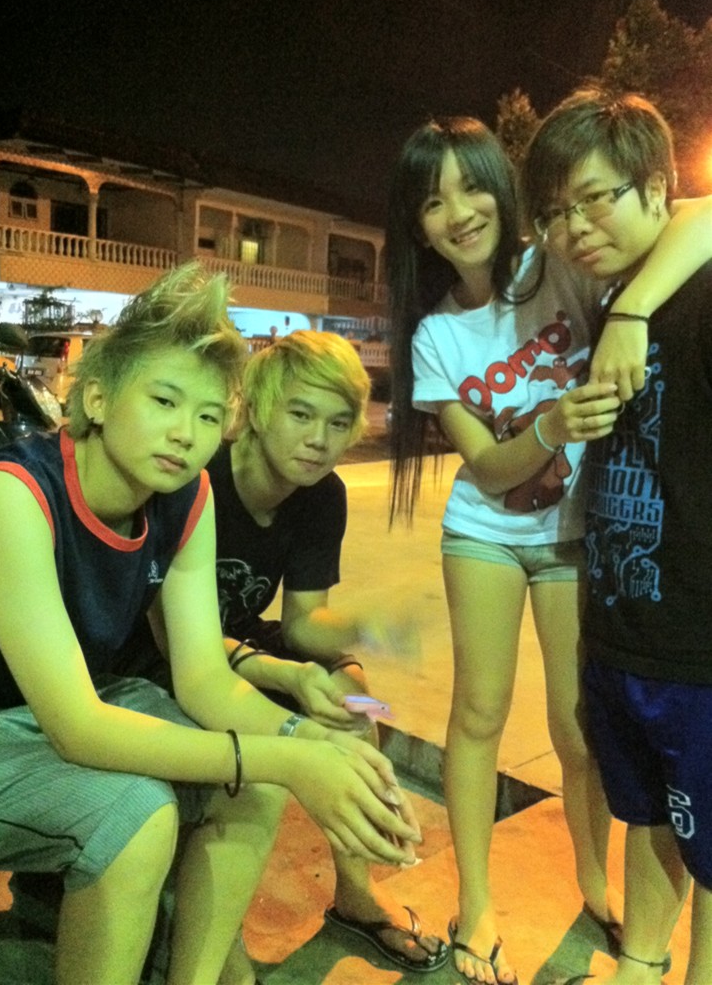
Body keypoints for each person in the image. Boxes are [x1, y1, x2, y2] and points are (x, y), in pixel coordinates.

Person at [0, 262, 423, 985]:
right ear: (98, 397)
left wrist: (311, 742)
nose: (186, 433)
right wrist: (290, 756)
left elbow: (204, 676)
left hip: (38, 713)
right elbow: (78, 726)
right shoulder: (14, 495)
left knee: (259, 780)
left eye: (206, 416)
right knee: (134, 816)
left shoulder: (187, 495)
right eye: (165, 401)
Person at [385, 116, 712, 985]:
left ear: (505, 191)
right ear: (416, 226)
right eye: (432, 202)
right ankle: (477, 907)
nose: (459, 212)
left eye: (472, 186)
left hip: (579, 533)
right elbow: (489, 468)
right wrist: (553, 425)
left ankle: (593, 877)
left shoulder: (561, 260)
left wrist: (630, 311)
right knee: (478, 713)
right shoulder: (435, 336)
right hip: (487, 532)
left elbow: (701, 215)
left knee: (580, 730)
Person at [132, 328, 448, 974]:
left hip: (239, 644)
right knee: (259, 769)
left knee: (355, 706)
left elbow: (304, 625)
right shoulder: (198, 479)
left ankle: (355, 894)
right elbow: (176, 637)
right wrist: (291, 678)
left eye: (337, 422)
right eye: (301, 415)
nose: (319, 439)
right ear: (255, 409)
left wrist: (362, 635)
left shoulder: (322, 495)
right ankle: (211, 929)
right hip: (156, 652)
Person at [521, 87, 712, 985]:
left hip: (699, 646)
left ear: (657, 187)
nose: (575, 228)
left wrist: (633, 312)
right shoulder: (612, 304)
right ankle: (640, 963)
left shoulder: (696, 294)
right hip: (623, 630)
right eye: (557, 213)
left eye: (595, 198)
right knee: (651, 817)